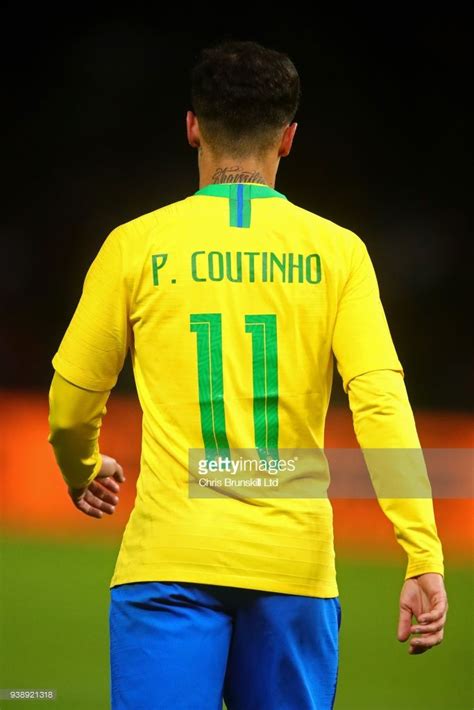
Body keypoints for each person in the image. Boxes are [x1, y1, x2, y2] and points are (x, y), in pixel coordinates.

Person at [48, 40, 448, 710]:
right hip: (292, 569)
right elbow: (380, 401)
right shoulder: (338, 254)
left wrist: (81, 467)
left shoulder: (135, 245)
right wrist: (422, 550)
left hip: (168, 562)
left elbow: (71, 400)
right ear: (289, 138)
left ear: (193, 126)